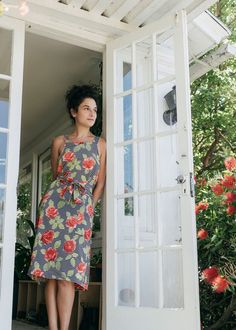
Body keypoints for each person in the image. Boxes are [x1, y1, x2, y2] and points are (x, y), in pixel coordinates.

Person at [28, 85, 106, 330]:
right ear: (74, 112)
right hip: (55, 208)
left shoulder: (101, 145)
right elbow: (56, 175)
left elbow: (100, 183)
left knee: (68, 276)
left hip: (80, 211)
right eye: (86, 108)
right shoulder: (59, 141)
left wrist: (88, 208)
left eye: (94, 109)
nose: (92, 113)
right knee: (50, 273)